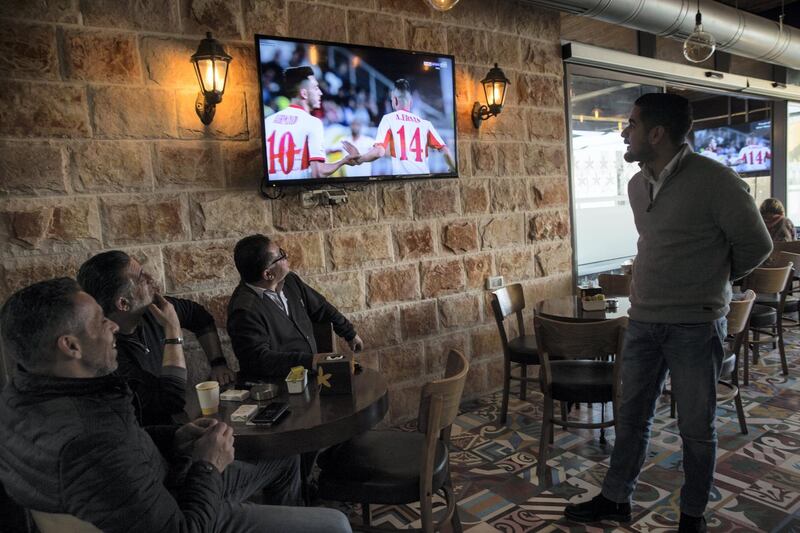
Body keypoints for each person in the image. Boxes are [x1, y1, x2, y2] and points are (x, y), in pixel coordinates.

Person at [564, 93, 772, 532]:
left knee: (697, 428)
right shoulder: (637, 185)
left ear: (656, 133)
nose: (625, 131)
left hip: (696, 325)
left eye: (632, 124)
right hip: (642, 320)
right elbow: (655, 242)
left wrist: (712, 278)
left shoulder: (717, 181)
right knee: (632, 417)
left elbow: (759, 246)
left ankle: (691, 516)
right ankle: (615, 498)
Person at [0, 278, 351, 533]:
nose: (110, 326)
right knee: (334, 523)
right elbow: (181, 526)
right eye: (98, 321)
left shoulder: (21, 399)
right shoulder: (89, 441)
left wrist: (174, 437)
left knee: (283, 458)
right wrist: (208, 465)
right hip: (182, 509)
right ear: (70, 347)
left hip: (160, 486)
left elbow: (123, 452)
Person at [77, 251, 236, 426]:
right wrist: (173, 330)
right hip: (150, 441)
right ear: (123, 304)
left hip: (178, 430)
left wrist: (218, 362)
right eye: (141, 278)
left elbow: (199, 316)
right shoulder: (107, 355)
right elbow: (170, 402)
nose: (151, 277)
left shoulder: (152, 309)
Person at [227, 234, 364, 380]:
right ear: (268, 274)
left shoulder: (290, 281)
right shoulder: (244, 311)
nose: (286, 257)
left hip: (309, 375)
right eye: (281, 256)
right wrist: (311, 361)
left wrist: (349, 333)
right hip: (280, 387)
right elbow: (260, 360)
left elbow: (320, 307)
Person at [264, 66, 356, 180]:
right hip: (296, 192)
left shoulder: (268, 121)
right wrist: (343, 161)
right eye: (316, 88)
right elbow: (318, 173)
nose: (320, 92)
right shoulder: (312, 123)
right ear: (304, 94)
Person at [349, 78, 455, 176]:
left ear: (394, 100)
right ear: (411, 102)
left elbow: (379, 152)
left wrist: (360, 160)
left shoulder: (388, 119)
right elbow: (445, 150)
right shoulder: (425, 123)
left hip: (403, 181)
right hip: (424, 179)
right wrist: (452, 167)